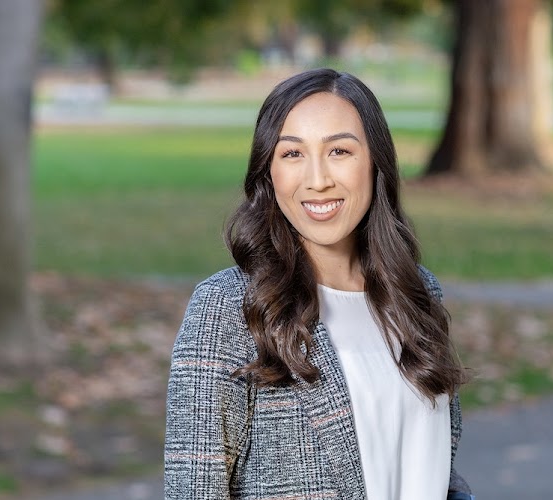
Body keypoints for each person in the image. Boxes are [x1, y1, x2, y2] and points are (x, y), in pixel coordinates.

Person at [165, 68, 473, 499]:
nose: (318, 179)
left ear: (375, 161)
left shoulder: (416, 293)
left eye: (339, 151)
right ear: (268, 171)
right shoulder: (229, 307)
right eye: (292, 154)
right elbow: (193, 488)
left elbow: (432, 465)